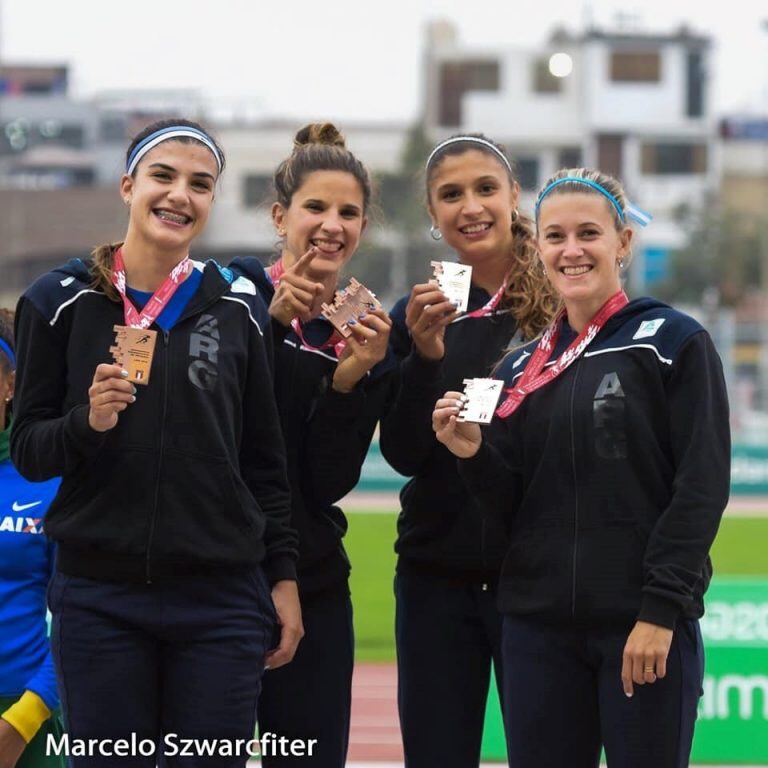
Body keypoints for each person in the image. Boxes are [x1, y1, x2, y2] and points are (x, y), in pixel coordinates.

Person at [11, 119, 300, 768]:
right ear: (127, 186)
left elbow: (262, 460)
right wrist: (89, 422)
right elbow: (29, 447)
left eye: (200, 185)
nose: (180, 196)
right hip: (100, 599)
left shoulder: (240, 306)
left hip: (220, 601)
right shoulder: (57, 301)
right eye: (163, 176)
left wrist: (282, 577)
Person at [433, 167, 730, 768]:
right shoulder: (516, 370)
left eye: (589, 233)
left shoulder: (672, 342)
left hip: (638, 627)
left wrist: (659, 612)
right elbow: (511, 504)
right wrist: (471, 453)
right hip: (535, 633)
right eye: (556, 236)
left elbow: (699, 488)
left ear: (622, 242)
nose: (572, 250)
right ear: (537, 247)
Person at [379, 134, 557, 768]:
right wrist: (425, 353)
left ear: (514, 195)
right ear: (432, 215)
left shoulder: (564, 300)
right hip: (435, 578)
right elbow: (403, 454)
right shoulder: (419, 311)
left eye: (486, 188)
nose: (471, 206)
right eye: (450, 195)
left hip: (535, 579)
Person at [230, 122, 393, 767]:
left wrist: (352, 380)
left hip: (318, 580)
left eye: (348, 212)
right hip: (226, 575)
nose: (332, 225)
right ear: (280, 215)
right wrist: (269, 328)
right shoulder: (232, 295)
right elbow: (228, 431)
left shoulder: (361, 327)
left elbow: (325, 479)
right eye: (316, 207)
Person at [0, 309, 64, 768]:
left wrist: (21, 722)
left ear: (10, 385)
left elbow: (81, 615)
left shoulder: (49, 480)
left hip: (26, 719)